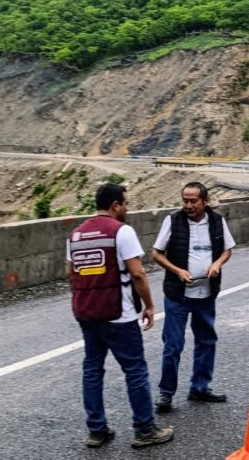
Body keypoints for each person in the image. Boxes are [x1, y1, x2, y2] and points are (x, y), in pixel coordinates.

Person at [67, 183, 173, 449]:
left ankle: (97, 430)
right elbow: (138, 273)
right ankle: (144, 430)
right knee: (135, 370)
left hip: (87, 313)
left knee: (92, 370)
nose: (127, 208)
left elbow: (72, 275)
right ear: (115, 205)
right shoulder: (122, 232)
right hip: (118, 314)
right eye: (125, 203)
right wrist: (149, 305)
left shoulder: (76, 235)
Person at [152, 181, 236, 412]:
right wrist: (177, 270)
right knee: (173, 345)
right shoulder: (172, 220)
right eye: (185, 201)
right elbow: (156, 253)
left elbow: (228, 249)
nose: (188, 205)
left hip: (206, 294)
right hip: (177, 295)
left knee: (206, 341)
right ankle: (166, 393)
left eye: (193, 201)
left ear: (205, 201)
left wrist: (217, 264)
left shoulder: (217, 221)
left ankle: (200, 387)